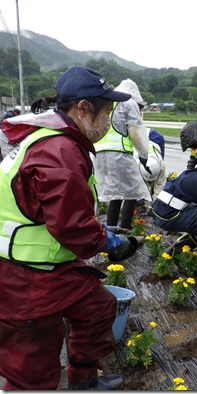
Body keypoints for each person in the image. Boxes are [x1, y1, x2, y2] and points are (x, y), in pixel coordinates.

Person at [0, 66, 139, 390]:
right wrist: (109, 242)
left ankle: (84, 380)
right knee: (33, 363)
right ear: (83, 108)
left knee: (98, 308)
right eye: (106, 112)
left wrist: (103, 230)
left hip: (47, 267)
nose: (108, 122)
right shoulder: (58, 150)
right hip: (22, 276)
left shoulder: (56, 141)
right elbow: (70, 226)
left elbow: (59, 210)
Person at [93, 79, 151, 229]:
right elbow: (135, 133)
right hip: (118, 155)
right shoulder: (128, 103)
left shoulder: (107, 103)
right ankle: (125, 229)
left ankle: (111, 229)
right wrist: (144, 154)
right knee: (132, 191)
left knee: (115, 194)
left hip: (99, 155)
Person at [135, 128, 167, 201]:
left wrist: (155, 204)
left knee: (158, 182)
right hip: (139, 136)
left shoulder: (161, 165)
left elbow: (161, 185)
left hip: (155, 138)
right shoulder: (134, 164)